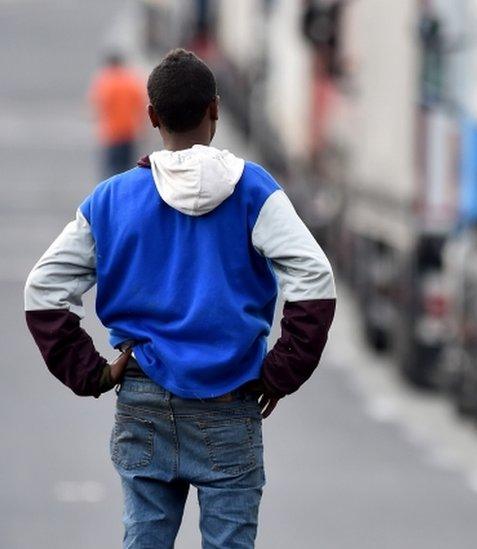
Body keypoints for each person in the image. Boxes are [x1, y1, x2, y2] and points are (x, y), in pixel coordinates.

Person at [25, 48, 337, 548]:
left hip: (143, 400)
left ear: (151, 116)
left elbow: (43, 290)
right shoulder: (254, 191)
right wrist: (283, 369)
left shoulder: (111, 199)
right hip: (230, 399)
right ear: (215, 108)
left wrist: (93, 372)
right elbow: (314, 278)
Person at [88, 53, 147, 178]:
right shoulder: (131, 81)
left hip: (112, 135)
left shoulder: (105, 82)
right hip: (129, 133)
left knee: (111, 173)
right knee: (127, 171)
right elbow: (141, 106)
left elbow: (97, 106)